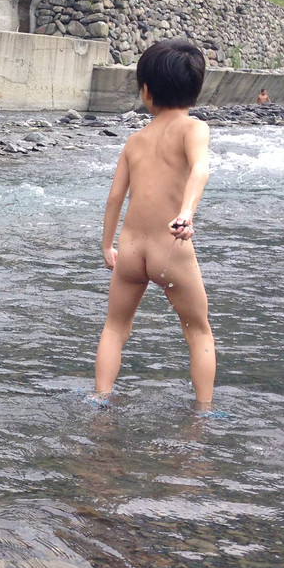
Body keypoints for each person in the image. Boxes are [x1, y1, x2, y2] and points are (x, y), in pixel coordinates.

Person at [95, 38, 215, 408]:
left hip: (131, 250)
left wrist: (107, 246)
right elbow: (200, 169)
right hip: (170, 246)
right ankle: (203, 413)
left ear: (146, 91)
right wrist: (186, 213)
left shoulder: (134, 140)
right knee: (198, 331)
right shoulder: (193, 128)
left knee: (115, 328)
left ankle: (100, 401)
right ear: (196, 89)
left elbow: (115, 198)